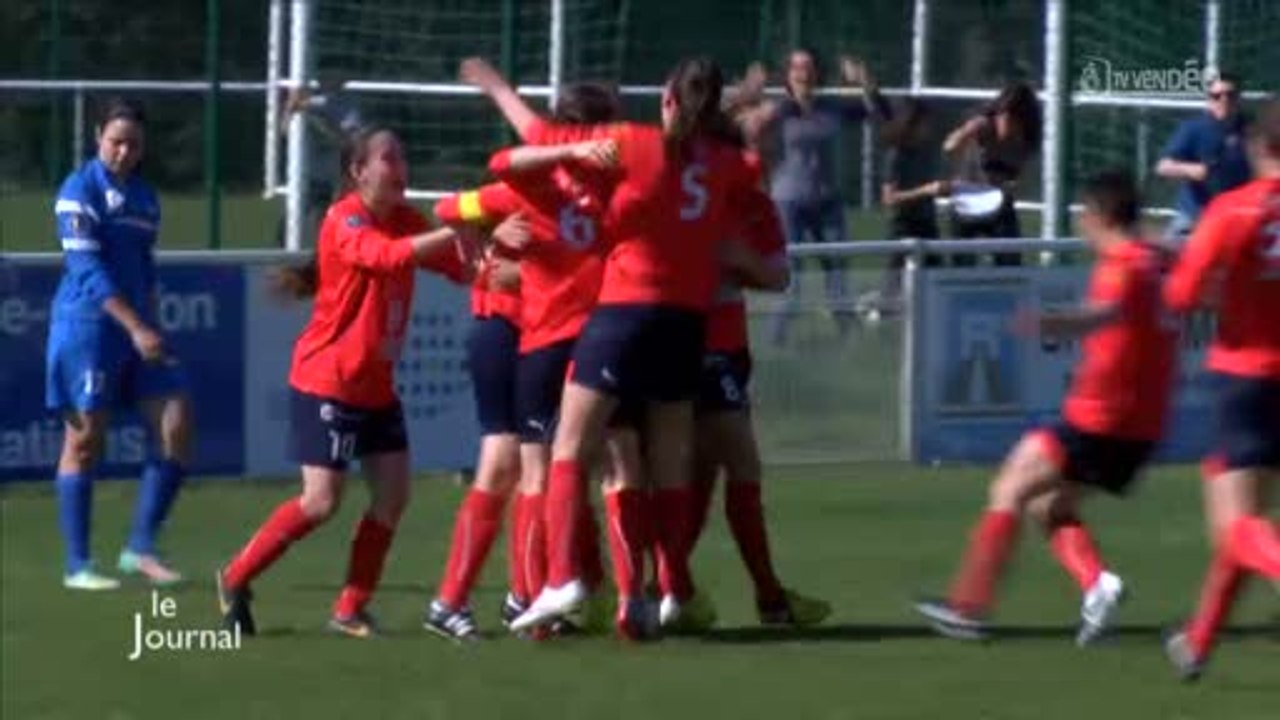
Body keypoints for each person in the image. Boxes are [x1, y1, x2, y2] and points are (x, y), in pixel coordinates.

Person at [464, 55, 783, 638]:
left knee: (570, 445)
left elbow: (534, 136)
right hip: (686, 325)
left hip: (626, 312)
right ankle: (661, 594)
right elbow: (750, 162)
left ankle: (565, 579)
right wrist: (732, 120)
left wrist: (495, 86)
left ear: (665, 100)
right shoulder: (727, 163)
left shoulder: (633, 144)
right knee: (666, 464)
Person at [215, 126, 508, 638]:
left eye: (403, 157)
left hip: (375, 387)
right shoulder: (344, 218)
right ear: (359, 173)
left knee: (393, 496)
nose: (401, 168)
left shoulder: (406, 219)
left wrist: (497, 261)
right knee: (321, 501)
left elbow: (461, 268)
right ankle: (235, 577)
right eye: (389, 158)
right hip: (328, 380)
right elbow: (385, 256)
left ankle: (350, 608)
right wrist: (458, 228)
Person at [914, 171, 1178, 645]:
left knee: (1009, 488)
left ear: (1099, 217)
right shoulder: (1157, 260)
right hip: (1141, 427)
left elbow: (1104, 313)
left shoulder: (1124, 264)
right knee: (1046, 505)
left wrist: (1051, 322)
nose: (1081, 228)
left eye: (1083, 218)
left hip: (1100, 417)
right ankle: (1098, 584)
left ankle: (968, 606)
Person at [421, 83, 621, 641]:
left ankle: (523, 596)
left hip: (543, 333)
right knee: (512, 464)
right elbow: (448, 209)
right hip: (505, 331)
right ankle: (459, 600)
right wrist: (485, 253)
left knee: (550, 467)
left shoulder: (593, 189)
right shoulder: (529, 187)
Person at [47, 98, 192, 590]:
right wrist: (135, 326)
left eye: (133, 143)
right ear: (97, 139)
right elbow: (87, 271)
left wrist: (150, 322)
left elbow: (145, 266)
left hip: (138, 329)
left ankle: (141, 549)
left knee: (176, 423)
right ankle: (78, 565)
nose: (125, 151)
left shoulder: (146, 198)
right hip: (88, 328)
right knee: (85, 440)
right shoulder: (78, 190)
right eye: (116, 141)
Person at [1160, 99, 1280, 682]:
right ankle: (1198, 641)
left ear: (1259, 147)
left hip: (1247, 376)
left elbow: (1180, 296)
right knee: (1241, 520)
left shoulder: (1233, 211)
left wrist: (1220, 292)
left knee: (1237, 527)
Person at [687, 156, 832, 627]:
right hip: (693, 349)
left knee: (700, 473)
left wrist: (735, 260)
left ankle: (665, 587)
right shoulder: (685, 196)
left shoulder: (754, 205)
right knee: (737, 466)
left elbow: (778, 276)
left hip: (729, 352)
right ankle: (768, 598)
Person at [734, 50, 892, 344]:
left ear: (817, 74)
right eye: (797, 68)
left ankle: (851, 344)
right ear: (789, 76)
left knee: (837, 276)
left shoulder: (832, 108)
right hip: (788, 203)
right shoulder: (778, 111)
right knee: (791, 281)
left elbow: (882, 113)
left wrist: (865, 81)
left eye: (808, 68)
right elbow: (734, 129)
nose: (803, 74)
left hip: (828, 202)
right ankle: (775, 342)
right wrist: (746, 95)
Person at [941, 81, 1041, 267]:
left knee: (1010, 262)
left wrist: (1011, 185)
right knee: (961, 267)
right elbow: (949, 147)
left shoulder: (1025, 140)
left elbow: (1019, 178)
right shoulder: (983, 127)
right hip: (967, 202)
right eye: (1003, 116)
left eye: (1014, 120)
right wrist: (964, 132)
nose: (1007, 125)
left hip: (998, 204)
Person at [1155, 72, 1252, 248]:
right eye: (1216, 96)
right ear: (1209, 100)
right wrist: (1190, 169)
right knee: (1171, 266)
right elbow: (1163, 166)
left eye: (1230, 95)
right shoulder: (1194, 128)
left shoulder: (1251, 130)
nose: (1223, 100)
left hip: (1236, 218)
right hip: (1194, 217)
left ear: (1239, 99)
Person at [280, 71, 366, 247]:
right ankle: (280, 259)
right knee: (289, 220)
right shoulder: (310, 101)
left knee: (323, 219)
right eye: (327, 75)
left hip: (325, 175)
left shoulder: (346, 106)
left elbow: (348, 141)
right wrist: (290, 110)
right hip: (302, 172)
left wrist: (314, 120)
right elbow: (284, 132)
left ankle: (323, 257)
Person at [874, 96, 944, 312]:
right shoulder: (896, 156)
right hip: (903, 224)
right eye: (925, 123)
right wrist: (925, 191)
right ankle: (880, 314)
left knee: (936, 277)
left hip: (926, 221)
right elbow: (889, 198)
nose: (929, 128)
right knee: (892, 281)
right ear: (912, 123)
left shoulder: (927, 151)